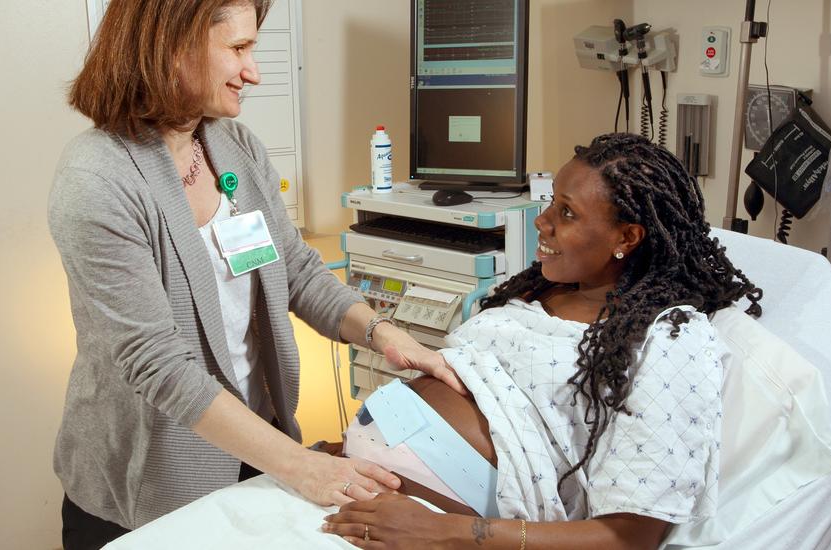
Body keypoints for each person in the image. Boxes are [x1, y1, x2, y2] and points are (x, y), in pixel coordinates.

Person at [48, 1, 463, 548]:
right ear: (171, 48)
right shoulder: (97, 179)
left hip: (256, 448)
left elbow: (292, 269)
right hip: (152, 478)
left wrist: (382, 334)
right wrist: (302, 467)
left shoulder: (230, 148)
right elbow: (158, 364)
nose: (254, 71)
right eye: (239, 49)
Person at [323, 133, 764, 548]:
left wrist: (446, 533)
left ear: (626, 237)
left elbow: (630, 537)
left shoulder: (669, 335)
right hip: (366, 481)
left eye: (567, 213)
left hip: (440, 523)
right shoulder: (540, 288)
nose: (543, 220)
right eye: (552, 201)